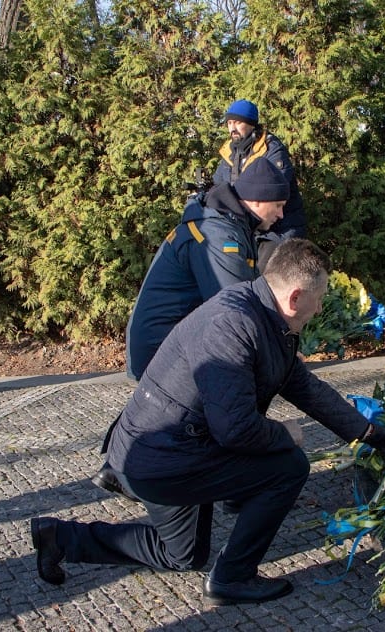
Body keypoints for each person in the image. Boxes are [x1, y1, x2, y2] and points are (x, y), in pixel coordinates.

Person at [31, 239, 385, 605]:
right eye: (318, 298)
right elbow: (236, 429)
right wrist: (285, 432)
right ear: (294, 297)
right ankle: (233, 578)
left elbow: (301, 385)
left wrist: (368, 431)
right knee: (288, 466)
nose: (321, 307)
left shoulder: (264, 312)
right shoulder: (233, 326)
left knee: (182, 555)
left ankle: (60, 538)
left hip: (173, 448)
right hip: (160, 457)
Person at [91, 158, 291, 501]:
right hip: (161, 341)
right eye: (279, 205)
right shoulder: (219, 235)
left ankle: (118, 467)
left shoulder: (227, 222)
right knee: (237, 383)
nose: (282, 214)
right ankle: (236, 481)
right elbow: (233, 308)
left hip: (169, 336)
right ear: (257, 201)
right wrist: (279, 339)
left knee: (168, 409)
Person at [214, 99, 307, 271]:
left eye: (238, 122)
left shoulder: (271, 150)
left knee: (261, 277)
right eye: (229, 123)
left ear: (251, 124)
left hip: (278, 229)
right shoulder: (229, 152)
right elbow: (219, 187)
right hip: (249, 226)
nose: (232, 128)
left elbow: (270, 192)